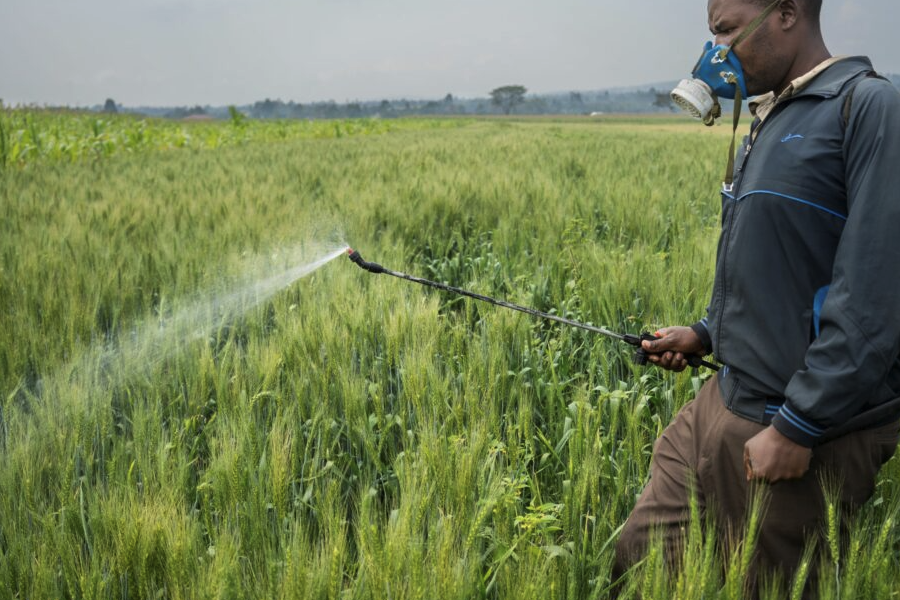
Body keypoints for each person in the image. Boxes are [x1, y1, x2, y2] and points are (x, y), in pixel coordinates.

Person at [614, 0, 900, 591]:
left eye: (724, 31)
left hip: (801, 430)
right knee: (635, 562)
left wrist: (800, 424)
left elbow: (876, 292)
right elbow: (780, 260)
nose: (715, 51)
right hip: (721, 400)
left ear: (788, 12)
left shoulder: (868, 107)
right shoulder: (770, 115)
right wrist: (705, 332)